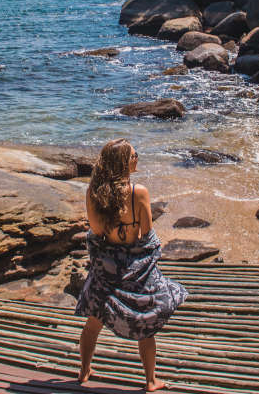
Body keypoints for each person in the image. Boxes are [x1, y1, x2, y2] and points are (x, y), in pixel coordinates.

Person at [74, 138, 188, 392]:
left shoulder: (94, 193)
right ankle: (150, 381)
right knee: (146, 325)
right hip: (136, 267)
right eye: (134, 155)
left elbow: (95, 230)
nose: (138, 158)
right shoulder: (139, 192)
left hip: (107, 267)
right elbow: (146, 231)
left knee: (93, 323)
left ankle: (83, 371)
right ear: (123, 163)